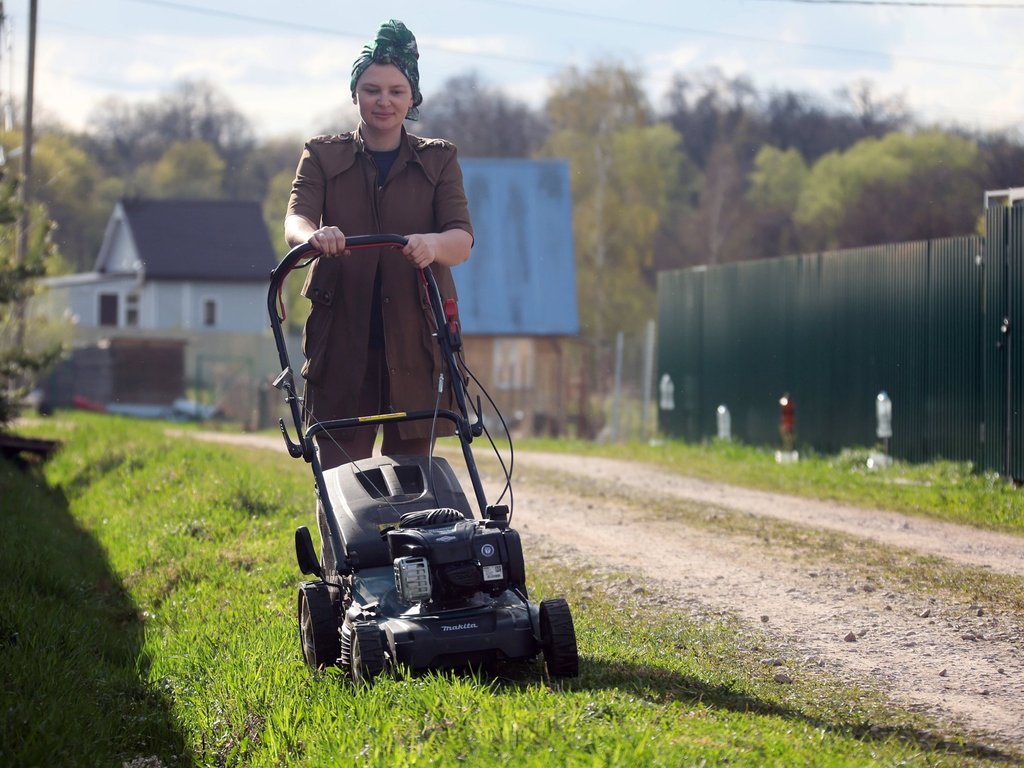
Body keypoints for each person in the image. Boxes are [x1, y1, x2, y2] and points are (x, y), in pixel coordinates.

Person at [285, 19, 473, 470]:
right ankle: (343, 542)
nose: (383, 101)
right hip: (342, 337)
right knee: (339, 471)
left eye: (395, 91)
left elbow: (461, 240)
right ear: (355, 93)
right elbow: (296, 218)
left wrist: (431, 244)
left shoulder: (439, 159)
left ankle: (408, 543)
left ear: (412, 98)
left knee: (412, 473)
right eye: (371, 89)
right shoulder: (322, 155)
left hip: (416, 337)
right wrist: (314, 237)